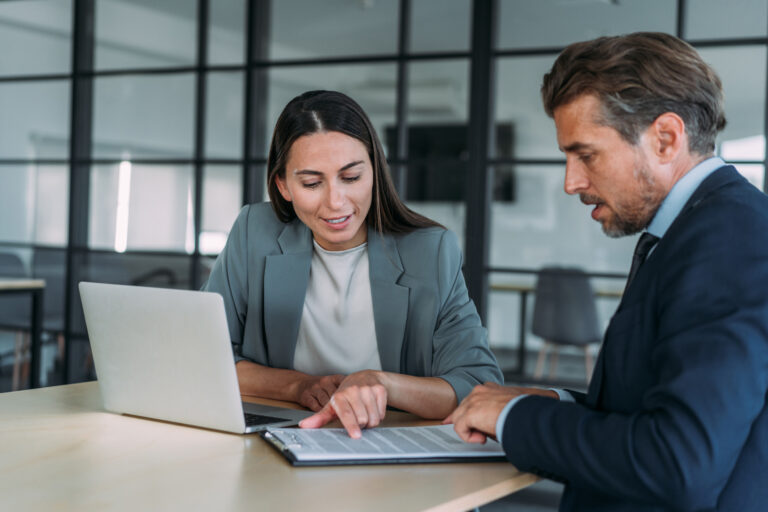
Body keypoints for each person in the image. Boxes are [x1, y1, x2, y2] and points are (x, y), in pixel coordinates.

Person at [446, 32, 768, 511]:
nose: (571, 182)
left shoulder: (728, 239)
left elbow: (679, 463)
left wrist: (517, 416)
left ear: (665, 138)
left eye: (586, 155)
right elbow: (664, 406)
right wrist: (558, 404)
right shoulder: (705, 227)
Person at [204, 90, 502, 439]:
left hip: (386, 445)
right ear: (283, 185)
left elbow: (479, 386)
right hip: (283, 437)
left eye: (351, 177)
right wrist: (297, 386)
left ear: (375, 171)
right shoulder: (254, 232)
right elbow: (208, 356)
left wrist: (380, 384)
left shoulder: (431, 251)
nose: (335, 202)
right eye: (312, 183)